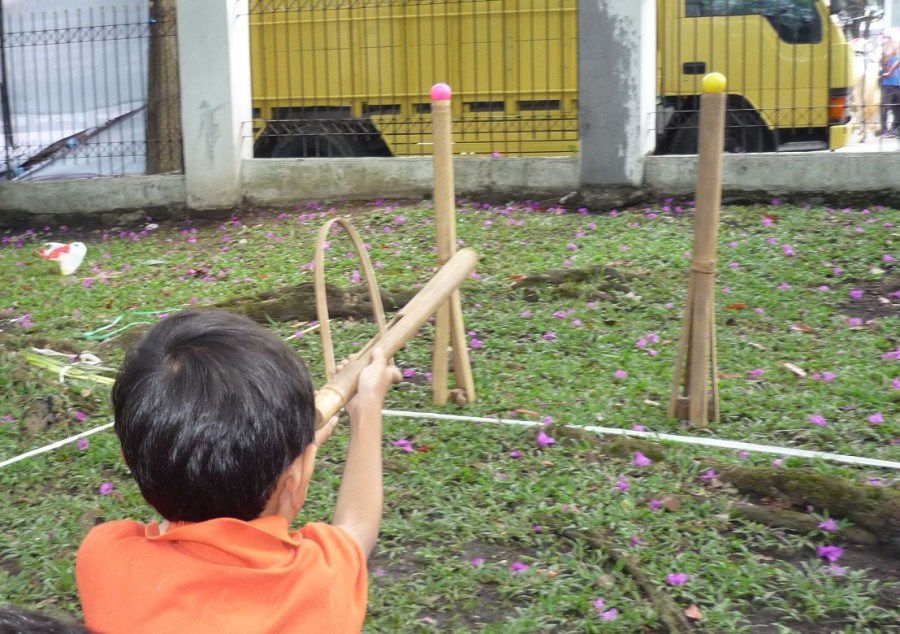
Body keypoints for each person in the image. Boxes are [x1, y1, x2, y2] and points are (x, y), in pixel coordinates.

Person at [76, 310, 401, 633]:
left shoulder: (103, 557)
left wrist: (288, 459)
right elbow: (357, 527)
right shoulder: (318, 583)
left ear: (127, 456)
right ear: (296, 481)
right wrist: (366, 407)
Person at [880, 41, 900, 137]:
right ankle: (884, 130)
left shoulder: (897, 57)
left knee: (897, 107)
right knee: (885, 108)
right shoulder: (884, 59)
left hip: (897, 85)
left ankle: (895, 128)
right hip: (887, 85)